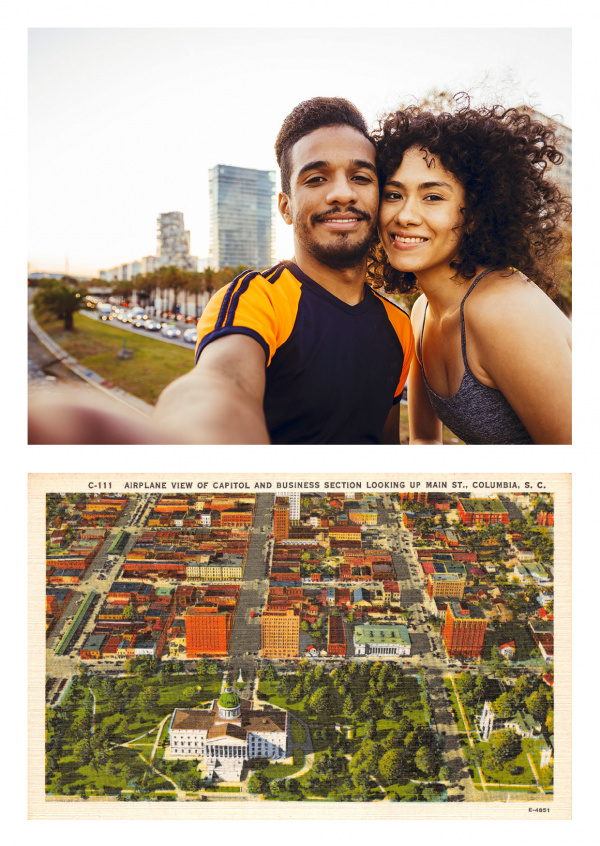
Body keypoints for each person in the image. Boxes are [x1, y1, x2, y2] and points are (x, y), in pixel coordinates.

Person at [28, 97, 414, 445]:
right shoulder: (254, 299)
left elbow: (382, 441)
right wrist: (191, 444)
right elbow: (221, 383)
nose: (342, 193)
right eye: (316, 178)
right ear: (285, 207)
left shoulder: (400, 325)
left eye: (361, 177)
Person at [368, 100, 572, 445]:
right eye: (393, 194)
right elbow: (425, 443)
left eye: (432, 197)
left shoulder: (506, 309)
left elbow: (578, 466)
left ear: (475, 214)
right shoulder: (422, 313)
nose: (405, 215)